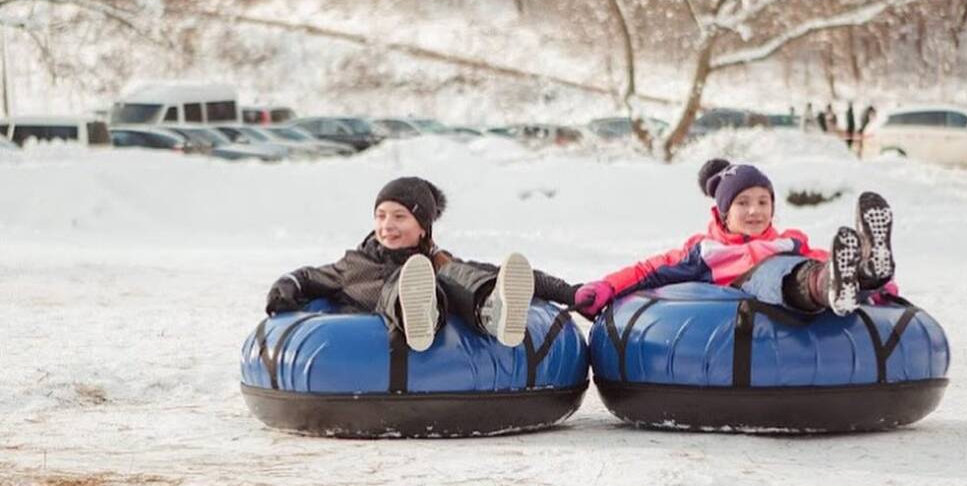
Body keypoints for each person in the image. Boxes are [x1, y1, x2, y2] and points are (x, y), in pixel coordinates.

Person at [265, 176, 577, 351]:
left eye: (400, 217)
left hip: (435, 287)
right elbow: (307, 276)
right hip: (392, 312)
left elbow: (511, 275)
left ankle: (491, 309)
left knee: (457, 276)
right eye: (381, 216)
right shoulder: (354, 264)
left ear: (423, 227)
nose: (387, 225)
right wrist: (285, 288)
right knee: (407, 283)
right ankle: (417, 312)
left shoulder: (439, 261)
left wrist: (571, 293)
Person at [574, 159, 897, 318]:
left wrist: (879, 288)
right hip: (759, 286)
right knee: (777, 272)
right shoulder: (705, 251)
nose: (755, 211)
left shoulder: (791, 241)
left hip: (803, 271)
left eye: (763, 202)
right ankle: (832, 287)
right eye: (742, 203)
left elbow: (830, 257)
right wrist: (608, 286)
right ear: (724, 212)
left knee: (818, 263)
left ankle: (870, 271)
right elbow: (649, 269)